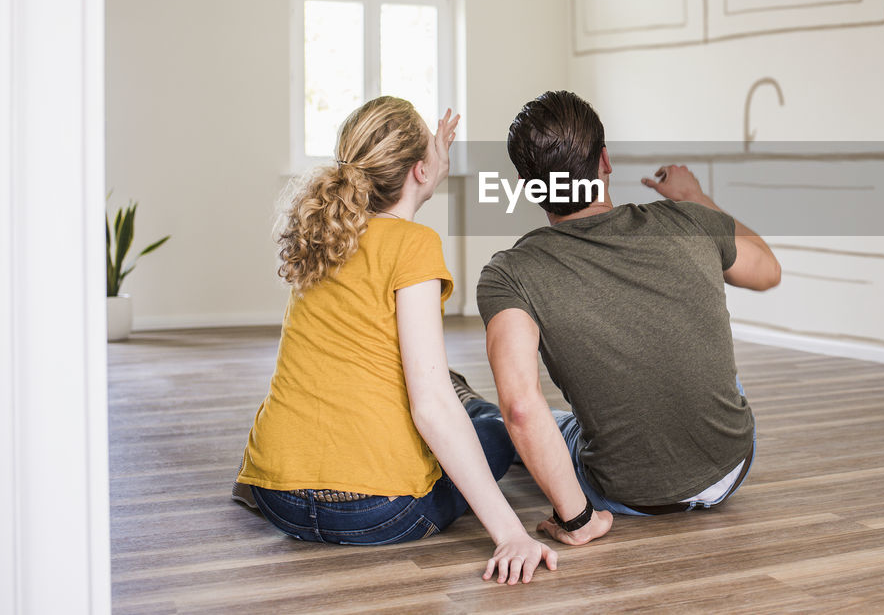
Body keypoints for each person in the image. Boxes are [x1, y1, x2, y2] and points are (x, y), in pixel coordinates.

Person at [233, 96, 555, 584]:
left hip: (277, 497)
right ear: (422, 171)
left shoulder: (324, 233)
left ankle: (455, 389)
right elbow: (429, 408)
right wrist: (511, 533)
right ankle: (464, 395)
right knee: (489, 427)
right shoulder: (413, 244)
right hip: (376, 512)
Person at [477, 90, 782, 547]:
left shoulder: (510, 273)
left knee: (539, 423)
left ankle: (469, 404)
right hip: (733, 464)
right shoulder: (690, 219)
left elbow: (521, 406)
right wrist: (697, 198)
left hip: (625, 493)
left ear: (528, 185)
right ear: (605, 160)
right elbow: (768, 271)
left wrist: (577, 521)